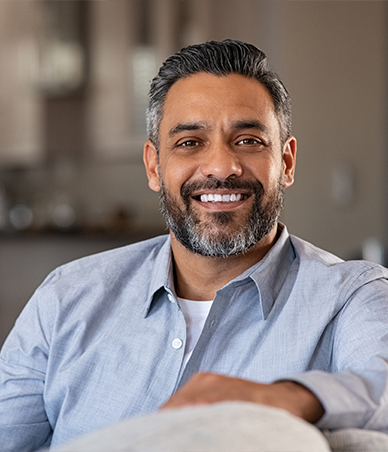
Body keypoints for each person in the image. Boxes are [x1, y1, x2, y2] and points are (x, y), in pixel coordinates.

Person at [1, 39, 388, 452]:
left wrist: (286, 397)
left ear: (287, 163)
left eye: (248, 141)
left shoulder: (353, 296)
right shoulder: (66, 297)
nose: (221, 167)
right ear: (153, 165)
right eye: (190, 142)